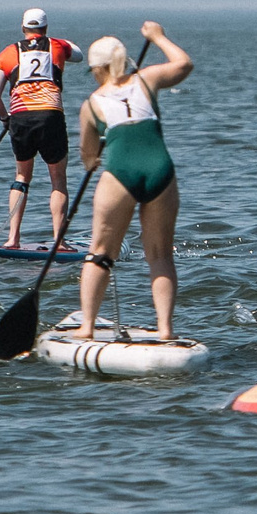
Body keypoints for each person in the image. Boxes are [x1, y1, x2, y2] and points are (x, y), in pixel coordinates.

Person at [72, 22, 192, 341]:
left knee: (99, 253)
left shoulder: (91, 105)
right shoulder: (147, 79)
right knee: (160, 254)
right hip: (160, 171)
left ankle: (86, 328)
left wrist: (97, 152)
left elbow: (88, 159)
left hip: (120, 174)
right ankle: (166, 330)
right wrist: (158, 37)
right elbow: (184, 64)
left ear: (97, 69)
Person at [0, 9, 81, 248]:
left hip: (20, 118)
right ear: (46, 29)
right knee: (58, 179)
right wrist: (55, 41)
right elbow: (79, 55)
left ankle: (13, 239)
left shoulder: (9, 52)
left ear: (22, 28)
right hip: (51, 116)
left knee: (21, 176)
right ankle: (59, 241)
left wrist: (4, 119)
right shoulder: (58, 46)